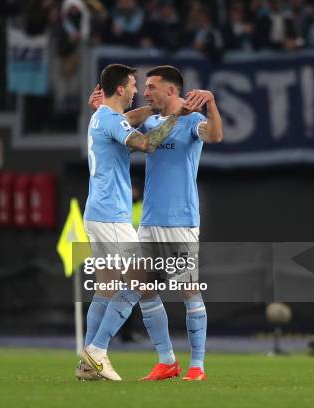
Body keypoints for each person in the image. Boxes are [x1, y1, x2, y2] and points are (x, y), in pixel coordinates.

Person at [76, 63, 192, 381]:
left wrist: (152, 109)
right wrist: (173, 117)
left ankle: (90, 362)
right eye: (132, 85)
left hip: (99, 213)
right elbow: (146, 144)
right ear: (119, 90)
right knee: (141, 284)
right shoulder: (110, 118)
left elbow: (128, 120)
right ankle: (97, 352)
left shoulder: (102, 116)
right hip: (112, 216)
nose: (136, 90)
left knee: (107, 289)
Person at [135, 66, 222, 382]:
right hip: (149, 220)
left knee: (188, 291)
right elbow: (131, 132)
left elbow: (215, 135)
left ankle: (197, 367)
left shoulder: (193, 122)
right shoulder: (151, 121)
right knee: (143, 289)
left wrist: (210, 105)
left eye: (152, 87)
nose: (146, 92)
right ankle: (166, 361)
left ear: (171, 90)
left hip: (181, 221)